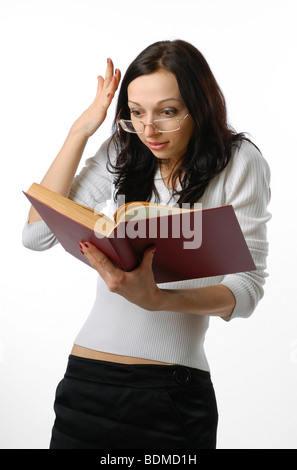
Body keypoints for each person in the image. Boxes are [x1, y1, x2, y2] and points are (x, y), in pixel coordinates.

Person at [22, 39, 271, 449]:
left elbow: (246, 290)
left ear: (200, 106)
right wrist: (80, 130)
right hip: (86, 381)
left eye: (167, 112)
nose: (149, 130)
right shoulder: (125, 147)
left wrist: (156, 299)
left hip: (172, 394)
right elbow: (37, 234)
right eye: (136, 113)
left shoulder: (239, 160)